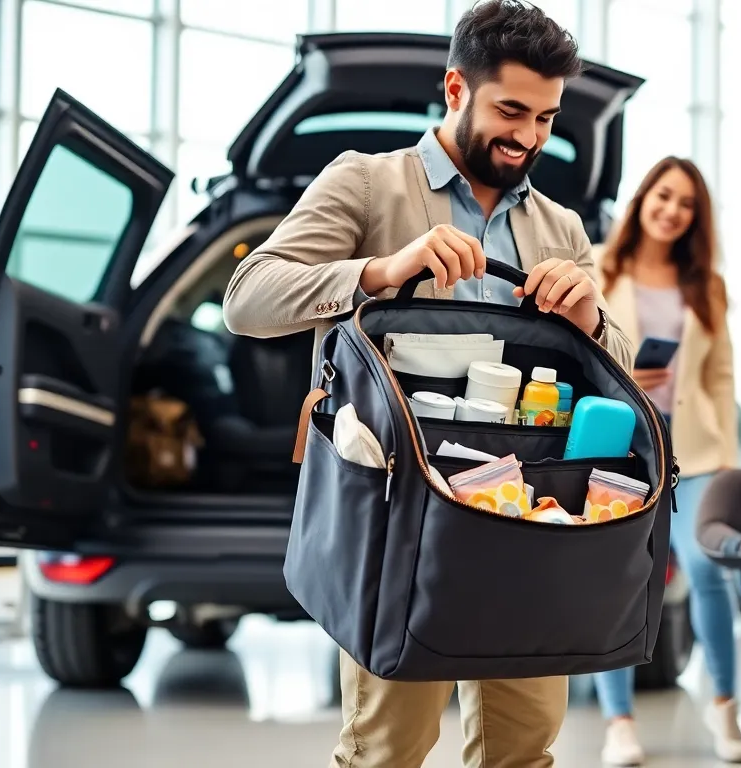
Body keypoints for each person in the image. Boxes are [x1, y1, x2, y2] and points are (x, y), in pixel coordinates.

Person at [221, 2, 632, 766]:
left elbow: (616, 368)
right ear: (455, 88)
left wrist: (592, 323)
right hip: (398, 514)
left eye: (546, 118)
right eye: (511, 110)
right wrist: (379, 272)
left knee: (525, 750)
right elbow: (247, 298)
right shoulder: (368, 184)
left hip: (529, 516)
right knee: (388, 748)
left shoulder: (563, 228)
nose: (529, 137)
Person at [593, 157, 741, 766]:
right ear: (643, 199)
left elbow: (722, 374)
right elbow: (581, 355)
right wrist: (627, 376)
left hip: (697, 450)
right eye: (663, 196)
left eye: (685, 203)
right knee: (618, 577)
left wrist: (729, 460)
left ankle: (725, 704)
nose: (671, 211)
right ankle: (619, 721)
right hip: (624, 445)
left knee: (709, 570)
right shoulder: (603, 266)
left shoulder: (706, 284)